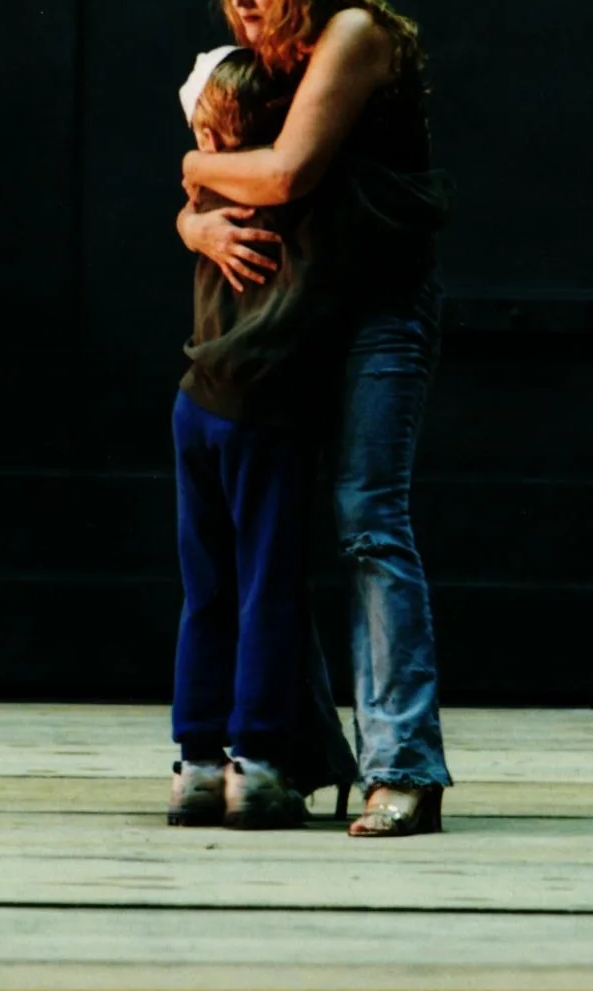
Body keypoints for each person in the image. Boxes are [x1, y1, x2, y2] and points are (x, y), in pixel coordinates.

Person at [174, 0, 453, 837]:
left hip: (373, 310)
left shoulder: (354, 32)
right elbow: (218, 195)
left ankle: (402, 768)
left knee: (367, 519)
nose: (242, 0)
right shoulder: (254, 68)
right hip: (292, 315)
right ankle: (288, 758)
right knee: (266, 538)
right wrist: (194, 221)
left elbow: (284, 172)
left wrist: (194, 171)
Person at [166, 46, 356, 830]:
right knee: (266, 589)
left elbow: (192, 175)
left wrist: (190, 214)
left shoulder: (205, 192)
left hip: (196, 403)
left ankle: (196, 764)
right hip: (264, 411)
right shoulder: (293, 190)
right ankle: (258, 762)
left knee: (207, 591)